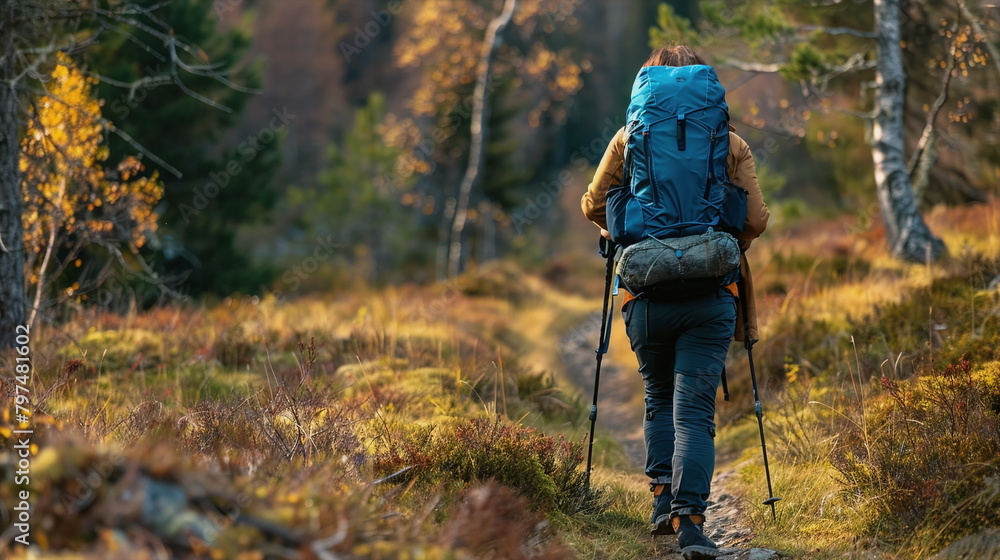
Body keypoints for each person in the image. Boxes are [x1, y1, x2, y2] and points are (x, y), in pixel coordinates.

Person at [581, 45, 769, 556]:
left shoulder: (629, 137)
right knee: (693, 411)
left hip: (646, 293)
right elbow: (754, 221)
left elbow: (593, 204)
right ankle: (690, 522)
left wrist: (629, 234)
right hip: (711, 296)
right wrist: (716, 246)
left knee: (658, 397)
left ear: (649, 84)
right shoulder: (728, 141)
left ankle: (662, 498)